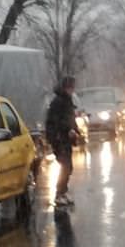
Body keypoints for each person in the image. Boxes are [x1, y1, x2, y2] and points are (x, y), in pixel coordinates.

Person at [45, 76, 82, 207]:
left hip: (65, 138)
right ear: (64, 88)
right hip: (59, 138)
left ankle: (63, 191)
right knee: (65, 166)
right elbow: (56, 121)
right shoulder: (58, 102)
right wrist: (67, 130)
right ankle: (59, 193)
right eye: (69, 87)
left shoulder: (67, 101)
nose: (71, 90)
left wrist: (76, 130)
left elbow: (70, 118)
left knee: (68, 166)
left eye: (72, 87)